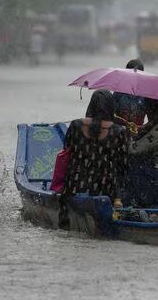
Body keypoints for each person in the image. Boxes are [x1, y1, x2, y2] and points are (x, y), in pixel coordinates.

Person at [59, 90, 128, 228]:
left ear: (91, 105)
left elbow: (66, 149)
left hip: (74, 184)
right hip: (106, 187)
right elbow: (123, 166)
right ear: (110, 107)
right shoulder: (120, 131)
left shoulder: (75, 125)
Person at [113, 59, 146, 133]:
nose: (134, 77)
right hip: (119, 132)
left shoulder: (146, 94)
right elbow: (111, 113)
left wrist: (142, 128)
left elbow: (151, 118)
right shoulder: (119, 92)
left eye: (138, 75)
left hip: (138, 132)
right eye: (131, 74)